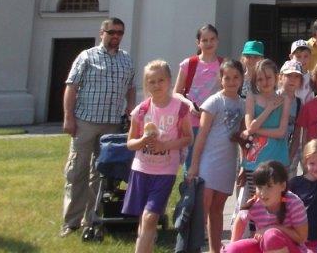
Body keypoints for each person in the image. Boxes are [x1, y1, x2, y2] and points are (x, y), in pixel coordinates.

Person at [60, 17, 136, 239]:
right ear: (102, 32)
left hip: (111, 125)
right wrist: (68, 117)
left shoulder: (126, 60)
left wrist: (131, 108)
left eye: (120, 32)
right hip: (85, 121)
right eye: (111, 31)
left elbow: (131, 88)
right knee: (77, 171)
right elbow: (71, 87)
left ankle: (92, 219)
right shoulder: (87, 56)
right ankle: (70, 222)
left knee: (100, 174)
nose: (116, 36)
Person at [123, 60, 194, 253]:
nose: (156, 85)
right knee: (144, 220)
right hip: (141, 168)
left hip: (165, 170)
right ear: (146, 85)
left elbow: (188, 137)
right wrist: (144, 140)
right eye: (151, 81)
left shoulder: (180, 108)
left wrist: (165, 145)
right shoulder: (141, 110)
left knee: (150, 217)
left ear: (169, 81)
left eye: (160, 80)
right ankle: (147, 245)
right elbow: (130, 143)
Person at [187, 59, 246, 253]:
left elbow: (243, 138)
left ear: (242, 79)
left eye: (236, 77)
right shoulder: (214, 102)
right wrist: (195, 165)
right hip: (209, 161)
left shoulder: (243, 105)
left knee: (217, 209)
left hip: (228, 163)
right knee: (202, 208)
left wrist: (244, 165)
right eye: (227, 77)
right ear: (220, 79)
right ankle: (192, 246)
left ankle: (214, 249)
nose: (231, 81)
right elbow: (202, 135)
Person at [238, 59, 291, 207]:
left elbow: (281, 132)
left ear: (276, 77)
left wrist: (255, 131)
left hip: (277, 158)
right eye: (260, 79)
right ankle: (256, 230)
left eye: (268, 77)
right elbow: (249, 126)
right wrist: (269, 109)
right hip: (255, 160)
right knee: (255, 202)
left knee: (278, 203)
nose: (265, 82)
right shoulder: (251, 96)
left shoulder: (284, 98)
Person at [174, 23, 224, 173]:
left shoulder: (223, 65)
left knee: (211, 164)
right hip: (192, 122)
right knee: (190, 165)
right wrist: (189, 104)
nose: (209, 43)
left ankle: (205, 195)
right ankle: (188, 194)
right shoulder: (189, 64)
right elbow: (176, 92)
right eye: (205, 40)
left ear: (217, 40)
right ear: (198, 43)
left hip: (214, 123)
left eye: (212, 39)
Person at [229, 161, 308, 253]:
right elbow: (241, 219)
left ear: (282, 186)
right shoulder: (255, 203)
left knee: (271, 236)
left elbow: (301, 238)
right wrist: (233, 243)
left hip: (293, 249)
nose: (263, 193)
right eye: (259, 187)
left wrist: (274, 227)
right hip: (265, 248)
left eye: (269, 186)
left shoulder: (293, 203)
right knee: (232, 249)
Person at [279, 60, 306, 173]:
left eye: (297, 76)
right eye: (289, 75)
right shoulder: (273, 98)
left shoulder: (299, 103)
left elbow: (296, 135)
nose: (293, 79)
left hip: (287, 150)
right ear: (280, 77)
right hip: (269, 150)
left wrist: (289, 159)